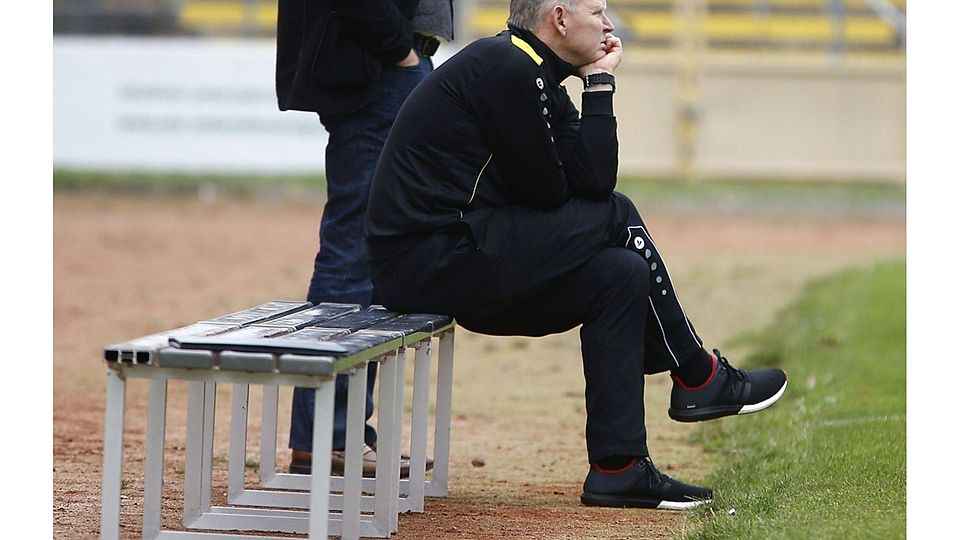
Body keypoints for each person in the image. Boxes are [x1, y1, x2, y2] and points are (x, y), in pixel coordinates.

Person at [365, 0, 788, 509]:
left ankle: (619, 468)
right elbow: (549, 192)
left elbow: (592, 180)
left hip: (466, 250)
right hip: (429, 259)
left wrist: (599, 83)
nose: (609, 25)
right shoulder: (506, 68)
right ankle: (698, 375)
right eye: (598, 12)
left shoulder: (536, 70)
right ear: (560, 19)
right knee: (617, 215)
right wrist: (572, 175)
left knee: (620, 274)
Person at [275, 0, 453, 476]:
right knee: (354, 252)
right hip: (382, 67)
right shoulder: (389, 57)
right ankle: (326, 437)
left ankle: (343, 434)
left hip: (391, 64)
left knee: (371, 251)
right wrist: (398, 50)